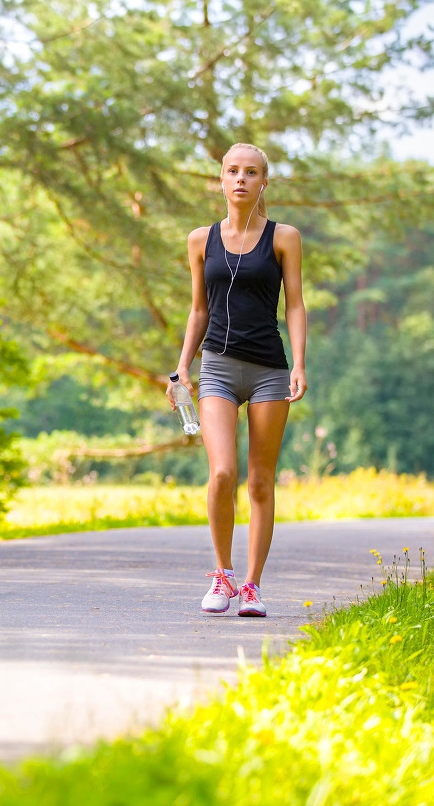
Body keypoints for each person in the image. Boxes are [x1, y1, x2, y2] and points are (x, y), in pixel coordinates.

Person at [166, 142, 307, 617]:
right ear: (221, 180)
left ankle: (252, 587)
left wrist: (300, 364)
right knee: (223, 472)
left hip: (269, 370)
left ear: (263, 182)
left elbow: (295, 305)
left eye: (251, 172)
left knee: (260, 483)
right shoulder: (200, 239)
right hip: (218, 368)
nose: (241, 179)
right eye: (233, 171)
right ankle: (222, 576)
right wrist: (182, 367)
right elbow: (198, 309)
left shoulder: (284, 237)